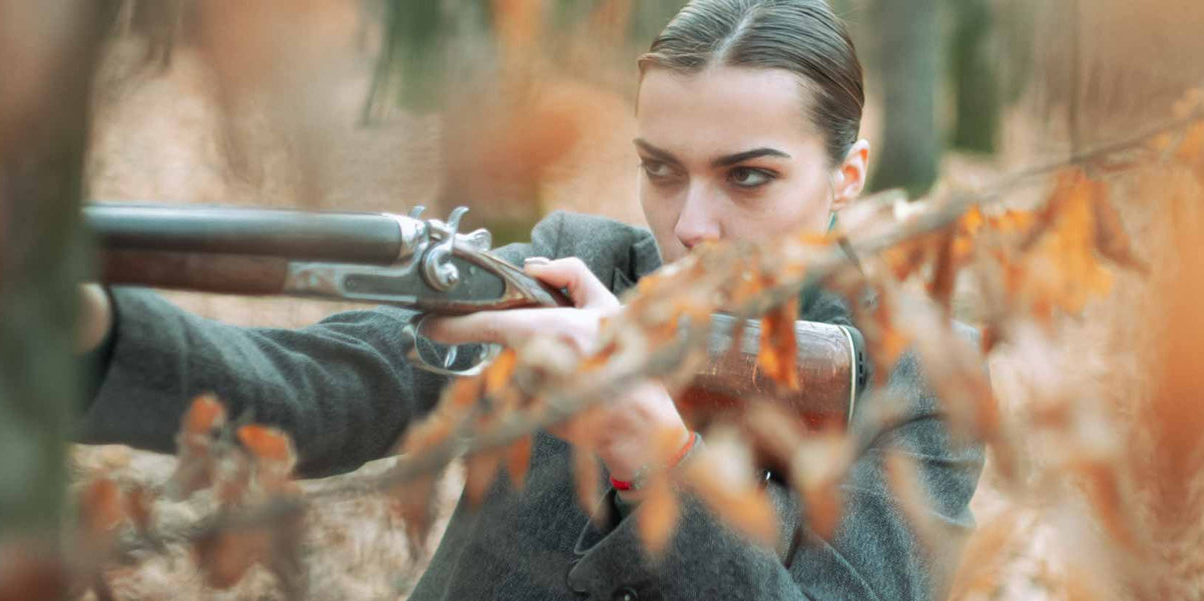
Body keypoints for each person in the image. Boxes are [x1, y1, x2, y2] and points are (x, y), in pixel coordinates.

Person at [76, 1, 984, 599]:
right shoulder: (572, 267)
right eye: (661, 169)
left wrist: (660, 459)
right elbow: (320, 392)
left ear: (847, 176)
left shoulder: (917, 377)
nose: (691, 223)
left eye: (748, 176)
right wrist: (90, 332)